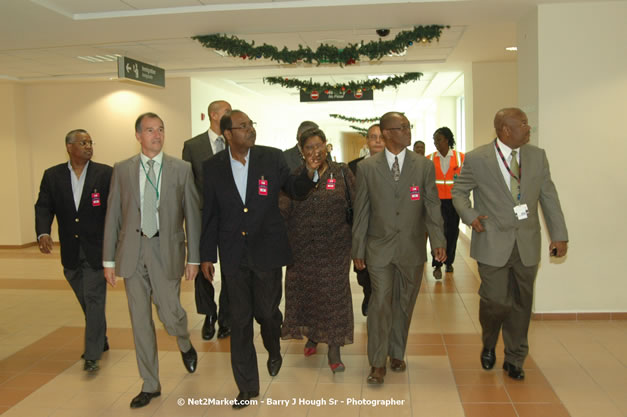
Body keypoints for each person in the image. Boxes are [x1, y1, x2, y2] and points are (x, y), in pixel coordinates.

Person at [200, 110, 319, 409]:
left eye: (252, 125)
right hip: (232, 256)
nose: (251, 130)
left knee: (267, 313)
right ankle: (247, 387)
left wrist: (309, 171)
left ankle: (273, 347)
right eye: (243, 126)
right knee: (239, 321)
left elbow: (294, 190)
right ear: (228, 134)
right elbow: (210, 215)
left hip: (267, 251)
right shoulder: (212, 167)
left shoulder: (272, 158)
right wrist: (205, 255)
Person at [452, 107, 568, 380]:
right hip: (492, 241)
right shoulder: (477, 158)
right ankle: (490, 342)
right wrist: (470, 216)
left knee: (521, 302)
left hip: (526, 242)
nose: (529, 129)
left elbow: (549, 196)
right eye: (524, 124)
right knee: (496, 301)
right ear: (506, 130)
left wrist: (559, 235)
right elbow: (459, 192)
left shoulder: (537, 157)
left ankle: (515, 358)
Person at [103, 113, 200, 408]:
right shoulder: (122, 170)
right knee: (140, 322)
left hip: (166, 249)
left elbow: (193, 215)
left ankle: (183, 340)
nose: (156, 135)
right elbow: (113, 215)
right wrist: (108, 261)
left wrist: (194, 257)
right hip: (131, 252)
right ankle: (150, 383)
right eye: (149, 130)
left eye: (160, 129)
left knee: (170, 314)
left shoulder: (181, 169)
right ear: (138, 136)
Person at [352, 112, 446, 385]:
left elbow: (432, 205)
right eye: (402, 128)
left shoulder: (423, 166)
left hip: (411, 247)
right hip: (378, 248)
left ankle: (397, 352)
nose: (408, 131)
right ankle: (377, 362)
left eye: (408, 126)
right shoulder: (368, 168)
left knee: (404, 303)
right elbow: (361, 212)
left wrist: (438, 241)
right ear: (387, 133)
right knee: (380, 302)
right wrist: (358, 248)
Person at [35, 129, 112, 373]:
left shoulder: (105, 173)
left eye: (90, 142)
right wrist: (43, 232)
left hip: (96, 248)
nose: (89, 146)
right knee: (86, 300)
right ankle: (100, 337)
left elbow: (115, 208)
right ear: (69, 147)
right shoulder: (53, 175)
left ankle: (92, 354)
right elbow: (44, 206)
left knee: (93, 297)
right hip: (70, 249)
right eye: (83, 142)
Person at [280, 127, 355, 373]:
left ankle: (334, 348)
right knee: (310, 295)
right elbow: (282, 211)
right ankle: (313, 335)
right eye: (309, 147)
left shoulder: (341, 173)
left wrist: (359, 246)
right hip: (302, 250)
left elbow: (357, 208)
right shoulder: (294, 177)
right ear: (302, 152)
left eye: (319, 145)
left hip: (336, 248)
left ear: (327, 145)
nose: (315, 151)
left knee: (334, 296)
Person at [182, 99, 232, 340]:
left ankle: (226, 317)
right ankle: (209, 314)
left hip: (232, 218)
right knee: (204, 268)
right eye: (227, 111)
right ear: (214, 115)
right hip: (204, 217)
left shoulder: (235, 141)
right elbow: (188, 185)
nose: (230, 115)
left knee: (233, 267)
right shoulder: (193, 146)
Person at [347, 123, 384, 316]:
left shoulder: (394, 166)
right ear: (367, 141)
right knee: (363, 273)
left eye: (381, 137)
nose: (377, 140)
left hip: (385, 231)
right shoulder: (354, 166)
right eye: (373, 137)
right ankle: (368, 293)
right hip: (361, 229)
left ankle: (376, 301)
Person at [427, 127, 465, 279]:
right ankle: (437, 265)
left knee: (451, 233)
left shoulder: (460, 158)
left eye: (439, 139)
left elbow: (466, 180)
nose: (436, 143)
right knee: (437, 232)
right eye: (434, 140)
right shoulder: (429, 159)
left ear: (447, 140)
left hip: (453, 202)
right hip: (435, 202)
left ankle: (449, 261)